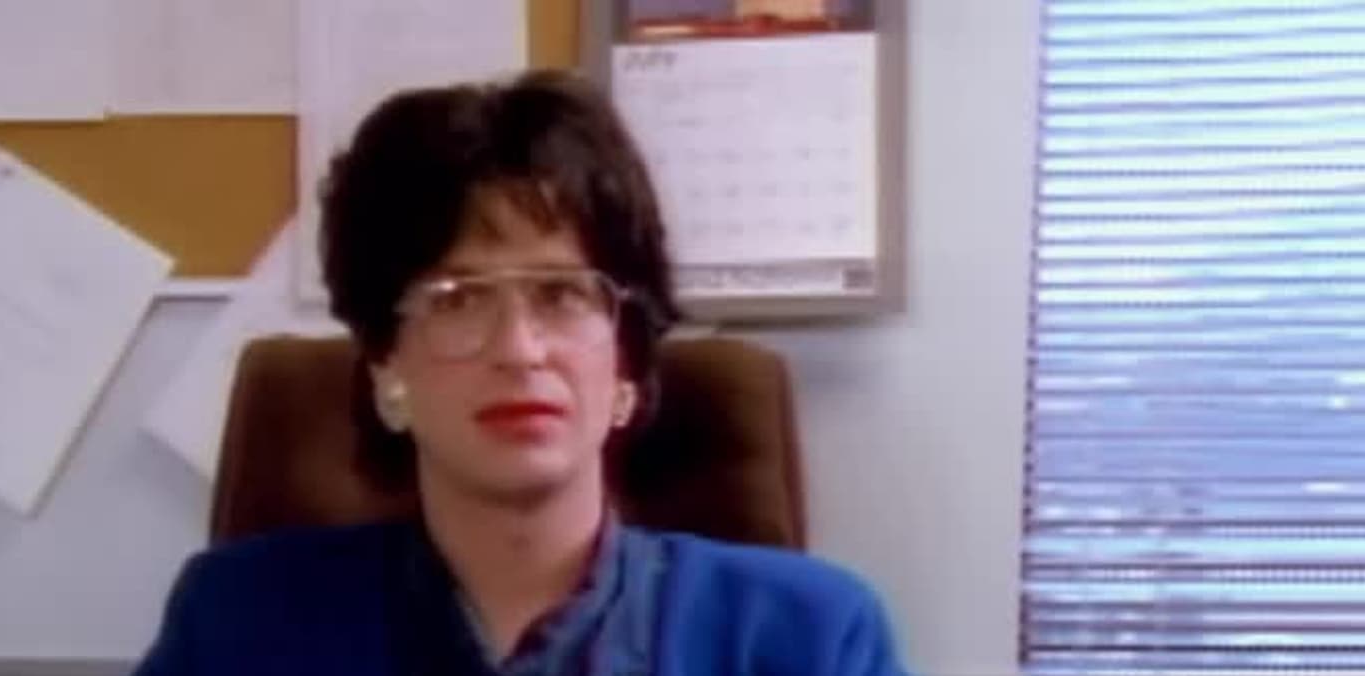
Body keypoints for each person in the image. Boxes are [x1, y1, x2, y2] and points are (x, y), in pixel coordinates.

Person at [132, 70, 907, 676]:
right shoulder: (238, 625)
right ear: (385, 363)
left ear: (626, 364)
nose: (520, 349)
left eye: (561, 295)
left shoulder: (805, 637)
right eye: (459, 299)